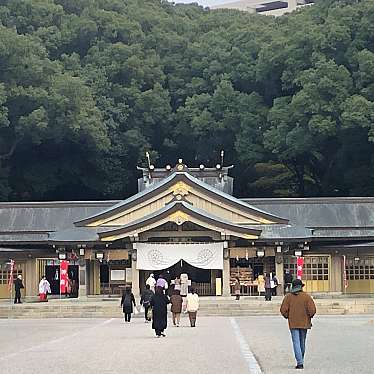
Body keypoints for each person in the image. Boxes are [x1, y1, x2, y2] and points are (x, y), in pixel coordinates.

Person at [280, 279, 316, 370]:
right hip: (304, 322)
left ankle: (299, 362)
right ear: (301, 287)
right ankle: (301, 360)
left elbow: (283, 310)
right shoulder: (307, 297)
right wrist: (309, 316)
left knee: (296, 342)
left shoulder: (288, 297)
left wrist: (287, 316)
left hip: (293, 322)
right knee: (302, 341)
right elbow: (312, 310)